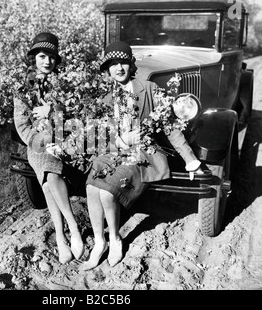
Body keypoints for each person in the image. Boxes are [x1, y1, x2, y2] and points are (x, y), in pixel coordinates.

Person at [81, 41, 203, 270]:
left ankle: (115, 238)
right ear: (107, 69)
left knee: (107, 194)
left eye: (123, 63)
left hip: (143, 152)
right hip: (115, 150)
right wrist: (119, 141)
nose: (119, 68)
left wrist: (190, 159)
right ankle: (100, 242)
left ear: (131, 65)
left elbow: (169, 127)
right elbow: (98, 133)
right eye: (113, 64)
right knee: (91, 187)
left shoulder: (148, 89)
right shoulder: (105, 100)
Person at [13, 32, 84, 264]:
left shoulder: (64, 84)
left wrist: (52, 112)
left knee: (46, 182)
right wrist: (44, 142)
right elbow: (23, 126)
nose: (47, 62)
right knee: (49, 173)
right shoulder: (23, 89)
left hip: (66, 139)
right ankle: (70, 229)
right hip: (37, 143)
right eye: (42, 56)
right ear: (34, 58)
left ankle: (64, 234)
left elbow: (77, 115)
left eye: (52, 57)